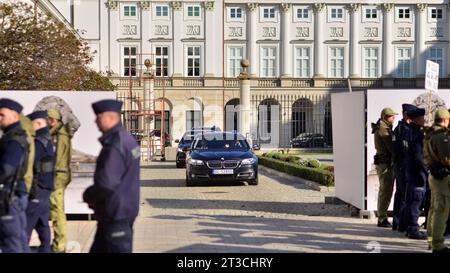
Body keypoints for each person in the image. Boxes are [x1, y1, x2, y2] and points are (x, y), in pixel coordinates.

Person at [83, 99, 140, 253]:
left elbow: (107, 183)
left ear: (111, 118)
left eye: (98, 116)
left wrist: (88, 195)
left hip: (116, 214)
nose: (95, 121)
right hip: (120, 210)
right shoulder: (127, 139)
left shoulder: (115, 144)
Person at [0, 98, 30, 253]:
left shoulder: (13, 139)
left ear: (14, 115)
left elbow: (6, 169)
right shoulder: (14, 136)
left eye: (2, 115)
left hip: (10, 197)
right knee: (18, 242)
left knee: (11, 243)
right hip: (15, 195)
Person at [25, 111, 55, 253]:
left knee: (25, 228)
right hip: (45, 188)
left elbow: (30, 162)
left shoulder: (39, 142)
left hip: (38, 188)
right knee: (42, 225)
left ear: (38, 123)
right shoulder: (47, 139)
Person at [423, 108, 450, 253]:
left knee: (433, 209)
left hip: (433, 175)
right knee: (442, 210)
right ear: (446, 120)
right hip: (442, 178)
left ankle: (431, 240)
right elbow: (447, 158)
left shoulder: (429, 133)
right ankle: (438, 244)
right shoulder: (441, 136)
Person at [47, 109, 72, 253]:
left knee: (57, 212)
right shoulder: (59, 132)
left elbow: (59, 158)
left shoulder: (59, 135)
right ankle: (58, 243)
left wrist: (55, 176)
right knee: (56, 211)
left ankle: (60, 245)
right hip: (59, 176)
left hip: (57, 177)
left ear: (53, 119)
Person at [401, 106, 428, 240]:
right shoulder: (416, 134)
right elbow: (419, 157)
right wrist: (426, 171)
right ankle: (412, 229)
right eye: (422, 117)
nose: (424, 119)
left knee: (412, 200)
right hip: (417, 173)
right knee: (416, 201)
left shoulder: (408, 131)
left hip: (410, 170)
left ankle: (409, 228)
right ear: (417, 119)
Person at [372, 107, 397, 227]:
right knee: (386, 191)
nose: (394, 118)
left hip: (384, 163)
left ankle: (382, 217)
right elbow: (391, 147)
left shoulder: (384, 127)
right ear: (387, 117)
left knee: (386, 191)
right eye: (392, 116)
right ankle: (382, 218)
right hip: (385, 164)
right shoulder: (383, 129)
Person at [392, 104, 415, 231]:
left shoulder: (399, 128)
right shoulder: (404, 130)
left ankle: (397, 221)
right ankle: (401, 223)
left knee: (400, 194)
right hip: (403, 166)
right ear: (406, 114)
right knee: (405, 195)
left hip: (399, 165)